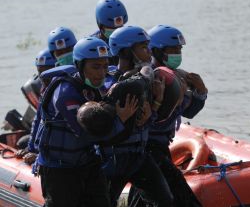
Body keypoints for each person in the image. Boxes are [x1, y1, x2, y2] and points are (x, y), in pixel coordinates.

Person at [128, 25, 207, 207]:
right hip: (147, 147)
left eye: (179, 49)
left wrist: (200, 93)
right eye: (172, 49)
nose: (177, 53)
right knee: (178, 196)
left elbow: (189, 112)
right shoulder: (149, 78)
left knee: (146, 196)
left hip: (161, 146)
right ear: (156, 50)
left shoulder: (178, 77)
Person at [96, 26, 174, 207]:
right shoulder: (109, 82)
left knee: (164, 200)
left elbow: (146, 121)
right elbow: (101, 120)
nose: (149, 52)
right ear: (126, 52)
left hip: (138, 155)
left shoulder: (145, 79)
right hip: (114, 158)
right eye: (143, 48)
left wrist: (155, 105)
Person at [35, 37, 115, 207]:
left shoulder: (95, 85)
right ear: (80, 65)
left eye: (104, 66)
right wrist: (121, 118)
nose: (101, 73)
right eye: (95, 67)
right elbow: (86, 133)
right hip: (59, 168)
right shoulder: (66, 94)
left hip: (87, 162)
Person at [16, 49, 57, 163]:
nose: (44, 76)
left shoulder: (62, 92)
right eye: (40, 72)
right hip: (46, 145)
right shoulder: (44, 91)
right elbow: (38, 121)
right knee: (21, 143)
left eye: (48, 71)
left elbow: (58, 131)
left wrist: (39, 155)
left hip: (60, 152)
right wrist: (29, 149)